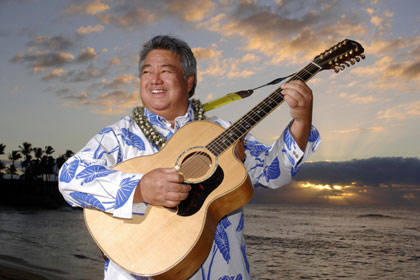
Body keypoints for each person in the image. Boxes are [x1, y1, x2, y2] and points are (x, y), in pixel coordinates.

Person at [58, 35, 320, 280]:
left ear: (189, 81)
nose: (154, 80)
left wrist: (301, 120)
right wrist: (140, 188)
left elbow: (272, 172)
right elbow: (70, 178)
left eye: (166, 71)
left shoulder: (223, 132)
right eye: (147, 71)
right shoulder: (119, 135)